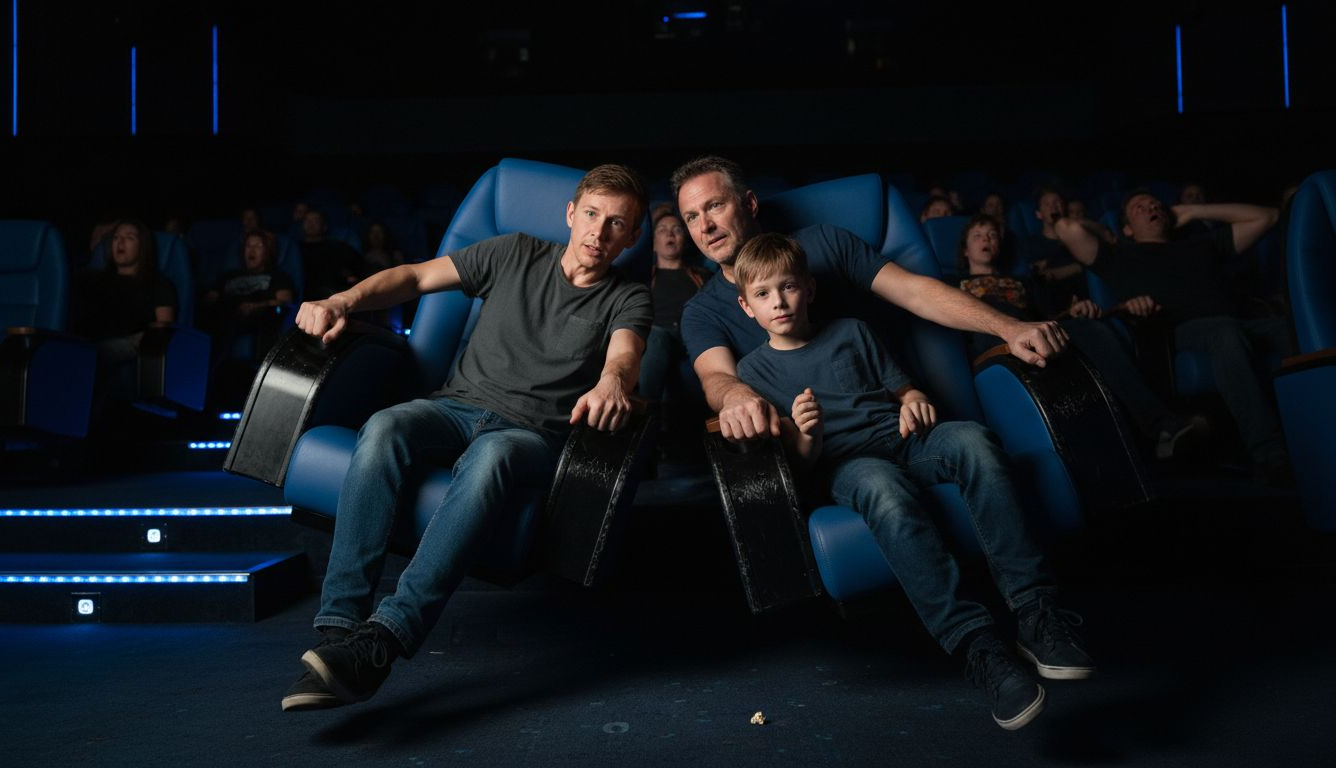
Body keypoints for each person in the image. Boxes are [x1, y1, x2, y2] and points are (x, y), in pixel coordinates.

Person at [280, 164, 653, 712]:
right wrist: (342, 301)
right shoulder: (514, 251)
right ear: (571, 214)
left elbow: (625, 354)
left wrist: (612, 381)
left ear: (633, 236)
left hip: (530, 436)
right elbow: (413, 278)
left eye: (616, 223)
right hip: (454, 408)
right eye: (592, 215)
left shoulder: (629, 296)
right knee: (385, 425)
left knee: (492, 453)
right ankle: (340, 632)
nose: (599, 232)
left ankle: (386, 637)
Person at [732, 233, 1091, 730]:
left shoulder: (852, 331)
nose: (779, 302)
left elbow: (904, 390)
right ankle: (978, 646)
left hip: (903, 439)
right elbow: (802, 465)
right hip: (846, 464)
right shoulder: (753, 371)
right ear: (746, 307)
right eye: (763, 294)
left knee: (973, 440)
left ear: (809, 289)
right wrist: (808, 434)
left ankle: (1035, 611)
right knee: (883, 490)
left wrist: (915, 401)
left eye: (788, 287)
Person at [671, 155, 1067, 445]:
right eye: (691, 217)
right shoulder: (701, 311)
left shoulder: (825, 242)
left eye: (715, 206)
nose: (705, 226)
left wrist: (1008, 327)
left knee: (975, 445)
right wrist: (736, 397)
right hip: (820, 451)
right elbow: (716, 376)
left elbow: (915, 291)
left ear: (750, 204)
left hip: (896, 420)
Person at [1054, 188, 1291, 483]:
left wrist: (1194, 212)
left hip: (1241, 323)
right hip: (1183, 331)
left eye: (1155, 204)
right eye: (1139, 207)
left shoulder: (1200, 244)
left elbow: (1268, 216)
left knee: (1295, 327)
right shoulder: (1118, 256)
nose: (1151, 207)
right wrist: (1106, 231)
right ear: (1126, 229)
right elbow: (1065, 227)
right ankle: (1270, 455)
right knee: (1224, 332)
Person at [957, 214, 1203, 458]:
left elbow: (1050, 316)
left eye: (992, 235)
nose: (986, 239)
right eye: (977, 235)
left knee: (1090, 328)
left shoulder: (1022, 283)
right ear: (965, 250)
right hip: (992, 341)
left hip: (1033, 331)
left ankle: (1162, 427)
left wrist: (1073, 311)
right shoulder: (956, 285)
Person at [73, 220, 178, 422]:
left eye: (129, 238)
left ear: (143, 246)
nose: (120, 243)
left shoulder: (157, 283)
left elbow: (164, 328)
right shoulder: (94, 280)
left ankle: (83, 424)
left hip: (133, 341)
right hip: (92, 338)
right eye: (116, 238)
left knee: (95, 356)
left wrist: (145, 339)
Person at [637, 211, 709, 400]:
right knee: (656, 337)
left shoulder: (702, 276)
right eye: (662, 230)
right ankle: (647, 409)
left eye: (677, 229)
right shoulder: (642, 279)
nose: (670, 234)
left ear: (684, 240)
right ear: (653, 243)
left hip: (690, 338)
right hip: (655, 340)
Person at [201, 228, 296, 365]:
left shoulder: (278, 276)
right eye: (248, 246)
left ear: (268, 252)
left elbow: (284, 302)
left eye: (258, 246)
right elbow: (210, 299)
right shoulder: (228, 276)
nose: (252, 250)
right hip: (223, 314)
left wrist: (256, 306)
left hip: (256, 318)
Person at [299, 208, 365, 301]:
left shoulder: (338, 247)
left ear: (324, 226)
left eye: (316, 221)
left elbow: (358, 267)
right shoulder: (296, 250)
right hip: (306, 297)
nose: (311, 224)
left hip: (334, 295)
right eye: (307, 220)